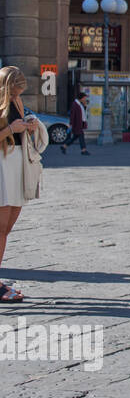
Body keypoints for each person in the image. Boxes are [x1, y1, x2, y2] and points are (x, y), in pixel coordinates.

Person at [0, 67, 47, 303]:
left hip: (17, 168)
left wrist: (28, 125)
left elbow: (20, 135)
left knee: (6, 229)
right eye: (12, 93)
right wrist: (10, 129)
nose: (15, 97)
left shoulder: (17, 103)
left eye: (18, 93)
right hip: (1, 167)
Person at [62, 92, 91, 156]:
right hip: (77, 124)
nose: (85, 99)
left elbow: (83, 113)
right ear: (81, 98)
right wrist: (71, 124)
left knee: (75, 137)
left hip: (80, 124)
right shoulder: (75, 104)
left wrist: (85, 106)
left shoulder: (80, 104)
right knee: (81, 137)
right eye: (84, 98)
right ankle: (83, 150)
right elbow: (72, 115)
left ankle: (64, 146)